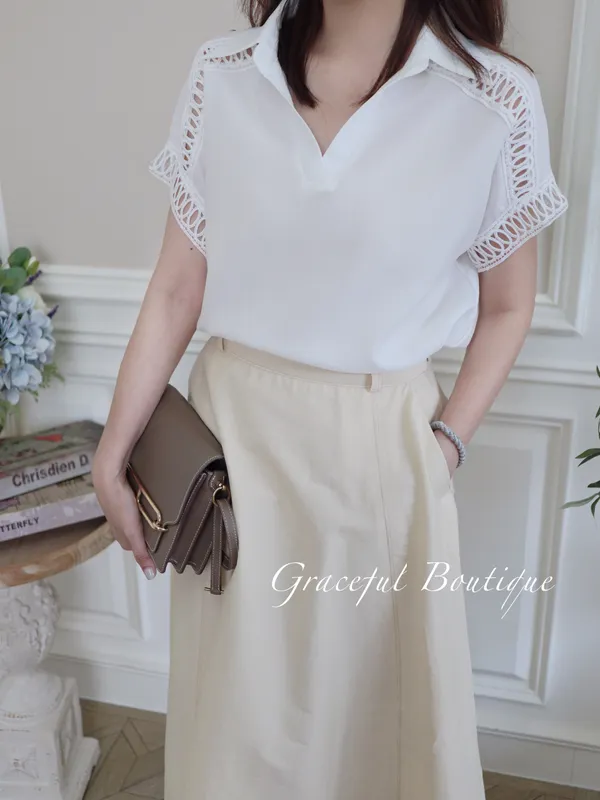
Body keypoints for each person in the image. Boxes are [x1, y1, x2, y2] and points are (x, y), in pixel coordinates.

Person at [92, 0, 568, 797]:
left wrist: (444, 445)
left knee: (376, 727)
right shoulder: (224, 76)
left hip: (385, 455)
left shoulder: (493, 100)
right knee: (237, 724)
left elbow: (508, 307)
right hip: (232, 453)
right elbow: (177, 287)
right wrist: (113, 453)